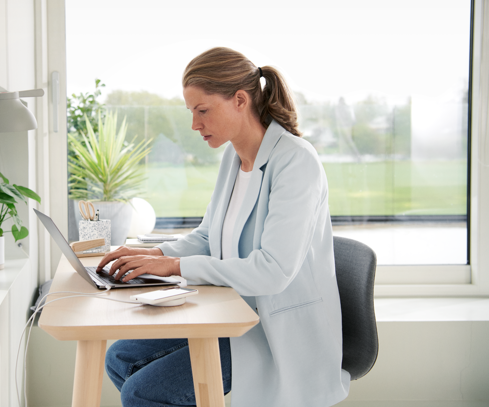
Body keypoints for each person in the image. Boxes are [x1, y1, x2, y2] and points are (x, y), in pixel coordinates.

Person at [96, 47, 350, 407]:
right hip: (231, 311)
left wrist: (175, 267)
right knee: (120, 358)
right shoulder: (235, 157)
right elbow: (207, 236)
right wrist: (152, 255)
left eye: (203, 111)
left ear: (240, 100)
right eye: (191, 113)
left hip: (268, 330)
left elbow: (273, 271)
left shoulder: (295, 161)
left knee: (143, 392)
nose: (195, 124)